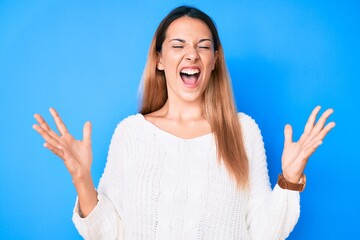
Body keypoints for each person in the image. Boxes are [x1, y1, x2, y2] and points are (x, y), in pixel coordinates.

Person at [33, 5, 335, 240]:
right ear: (160, 59)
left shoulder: (242, 131)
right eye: (178, 45)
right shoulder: (132, 133)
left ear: (214, 60)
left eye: (203, 46)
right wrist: (81, 177)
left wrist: (291, 180)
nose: (192, 54)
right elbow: (107, 233)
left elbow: (263, 232)